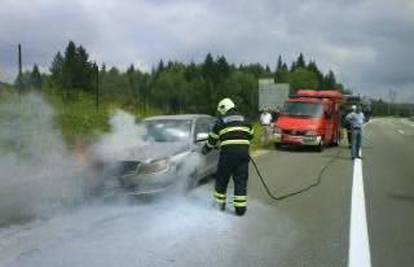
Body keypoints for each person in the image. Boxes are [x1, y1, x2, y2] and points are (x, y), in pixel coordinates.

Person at [201, 98, 254, 216]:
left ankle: (219, 207)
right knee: (241, 181)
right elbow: (251, 135)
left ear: (224, 108)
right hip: (243, 155)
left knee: (222, 180)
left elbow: (212, 141)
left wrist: (204, 150)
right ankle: (240, 210)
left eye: (221, 110)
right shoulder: (245, 119)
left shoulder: (220, 121)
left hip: (228, 155)